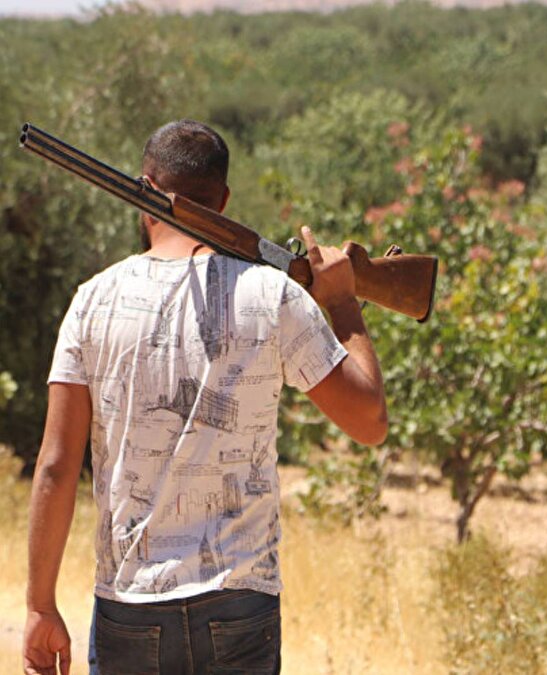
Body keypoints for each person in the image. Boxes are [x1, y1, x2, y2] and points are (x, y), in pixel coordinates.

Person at [23, 119, 389, 675]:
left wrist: (40, 604)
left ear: (144, 191)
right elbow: (370, 422)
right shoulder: (273, 295)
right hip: (241, 603)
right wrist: (342, 307)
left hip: (129, 606)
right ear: (223, 200)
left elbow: (54, 466)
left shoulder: (91, 301)